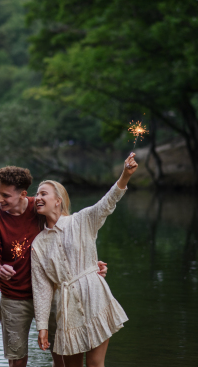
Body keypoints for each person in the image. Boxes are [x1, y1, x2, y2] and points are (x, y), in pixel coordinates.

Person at [0, 166, 107, 367]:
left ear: (23, 194)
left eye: (5, 195)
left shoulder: (39, 207)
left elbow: (68, 234)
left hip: (54, 294)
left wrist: (89, 264)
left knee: (61, 355)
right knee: (17, 360)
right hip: (14, 297)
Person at [31, 153, 138, 367]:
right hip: (66, 308)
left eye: (43, 193)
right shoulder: (38, 244)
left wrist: (125, 175)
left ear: (58, 201)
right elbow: (42, 288)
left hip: (95, 296)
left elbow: (107, 203)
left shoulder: (82, 220)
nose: (37, 198)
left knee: (95, 364)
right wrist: (42, 326)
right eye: (36, 194)